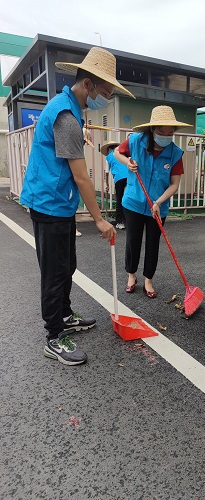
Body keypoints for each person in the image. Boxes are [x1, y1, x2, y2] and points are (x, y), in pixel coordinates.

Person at [20, 47, 134, 366]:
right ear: (88, 85)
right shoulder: (66, 116)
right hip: (49, 203)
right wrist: (99, 219)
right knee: (55, 273)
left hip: (60, 203)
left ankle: (65, 315)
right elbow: (82, 177)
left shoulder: (70, 107)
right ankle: (54, 337)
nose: (106, 99)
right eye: (105, 92)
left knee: (66, 264)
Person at [114, 106, 192, 298]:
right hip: (133, 202)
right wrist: (128, 163)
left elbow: (174, 184)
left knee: (153, 243)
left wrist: (158, 202)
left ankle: (148, 279)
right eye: (161, 131)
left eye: (170, 132)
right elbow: (117, 152)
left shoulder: (175, 153)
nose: (166, 135)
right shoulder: (135, 141)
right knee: (133, 241)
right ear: (152, 129)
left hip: (159, 206)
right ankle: (131, 276)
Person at [101, 141, 127, 229]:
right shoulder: (122, 154)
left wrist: (107, 184)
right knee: (128, 199)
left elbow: (107, 172)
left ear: (108, 149)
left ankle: (120, 222)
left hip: (119, 179)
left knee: (119, 199)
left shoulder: (108, 157)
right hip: (130, 177)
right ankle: (129, 220)